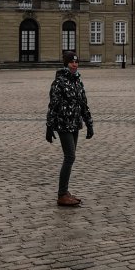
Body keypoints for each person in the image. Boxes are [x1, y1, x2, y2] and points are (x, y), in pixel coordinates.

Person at [46, 50, 94, 207]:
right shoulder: (59, 82)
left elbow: (83, 104)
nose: (75, 64)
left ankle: (65, 192)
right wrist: (49, 126)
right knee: (70, 157)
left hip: (75, 123)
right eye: (71, 62)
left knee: (71, 157)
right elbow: (53, 105)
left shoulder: (77, 81)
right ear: (66, 63)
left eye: (76, 62)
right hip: (63, 123)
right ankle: (61, 195)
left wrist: (89, 124)